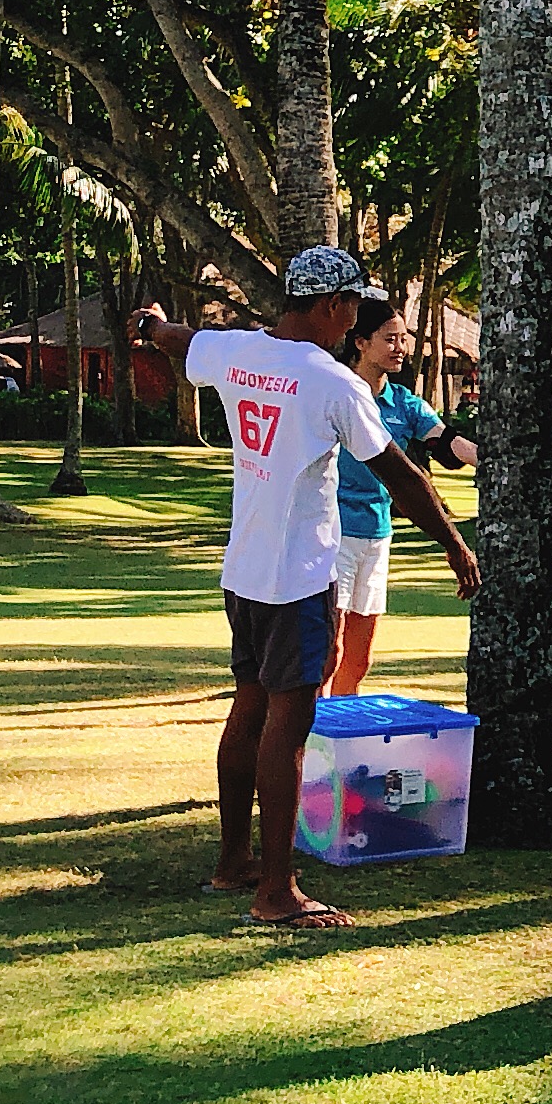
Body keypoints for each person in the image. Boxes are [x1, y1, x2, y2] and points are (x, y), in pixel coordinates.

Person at [139, 253, 480, 932]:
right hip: (298, 577)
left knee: (248, 711)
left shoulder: (236, 350)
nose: (358, 320)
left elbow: (181, 341)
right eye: (355, 306)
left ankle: (233, 861)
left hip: (244, 570)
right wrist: (454, 542)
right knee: (287, 726)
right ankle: (276, 892)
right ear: (330, 307)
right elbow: (404, 476)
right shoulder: (332, 382)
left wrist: (150, 326)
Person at [326, 293, 484, 698]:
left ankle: (344, 734)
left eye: (404, 339)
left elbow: (446, 443)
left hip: (377, 535)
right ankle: (309, 739)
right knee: (329, 649)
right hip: (333, 534)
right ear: (360, 342)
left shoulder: (403, 402)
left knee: (359, 658)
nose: (401, 348)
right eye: (390, 339)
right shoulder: (335, 391)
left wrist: (495, 465)